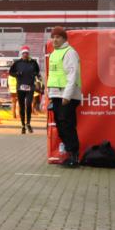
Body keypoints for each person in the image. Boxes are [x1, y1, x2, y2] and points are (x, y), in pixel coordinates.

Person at [46, 26, 82, 167]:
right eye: (53, 37)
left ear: (64, 39)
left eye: (58, 37)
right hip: (56, 95)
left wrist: (67, 96)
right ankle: (69, 154)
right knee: (61, 127)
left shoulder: (69, 52)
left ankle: (74, 156)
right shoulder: (55, 53)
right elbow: (54, 76)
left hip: (67, 96)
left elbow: (73, 75)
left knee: (67, 126)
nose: (54, 39)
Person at [8, 46, 41, 134]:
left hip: (30, 86)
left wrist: (37, 77)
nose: (25, 54)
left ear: (28, 53)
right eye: (24, 53)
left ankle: (28, 123)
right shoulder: (17, 63)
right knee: (22, 106)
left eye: (27, 53)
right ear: (21, 54)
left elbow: (38, 72)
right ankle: (23, 125)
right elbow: (10, 72)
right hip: (20, 87)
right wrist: (17, 74)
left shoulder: (33, 62)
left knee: (28, 104)